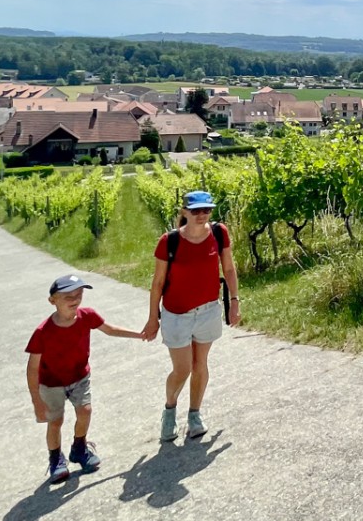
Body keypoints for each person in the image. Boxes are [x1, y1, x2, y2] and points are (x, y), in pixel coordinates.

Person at [26, 273, 148, 484]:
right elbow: (32, 368)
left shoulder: (87, 316)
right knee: (56, 421)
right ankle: (56, 460)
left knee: (85, 411)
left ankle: (79, 449)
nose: (75, 300)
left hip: (79, 377)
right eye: (67, 297)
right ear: (52, 301)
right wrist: (36, 401)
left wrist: (139, 334)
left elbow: (110, 330)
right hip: (51, 383)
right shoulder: (42, 332)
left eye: (79, 294)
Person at [142, 190, 240, 442]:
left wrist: (234, 302)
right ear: (184, 212)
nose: (202, 215)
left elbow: (228, 268)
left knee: (200, 365)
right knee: (182, 368)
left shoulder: (219, 233)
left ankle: (194, 415)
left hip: (207, 310)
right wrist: (153, 318)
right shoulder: (169, 241)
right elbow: (158, 283)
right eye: (195, 210)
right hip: (177, 315)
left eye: (206, 210)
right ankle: (170, 410)